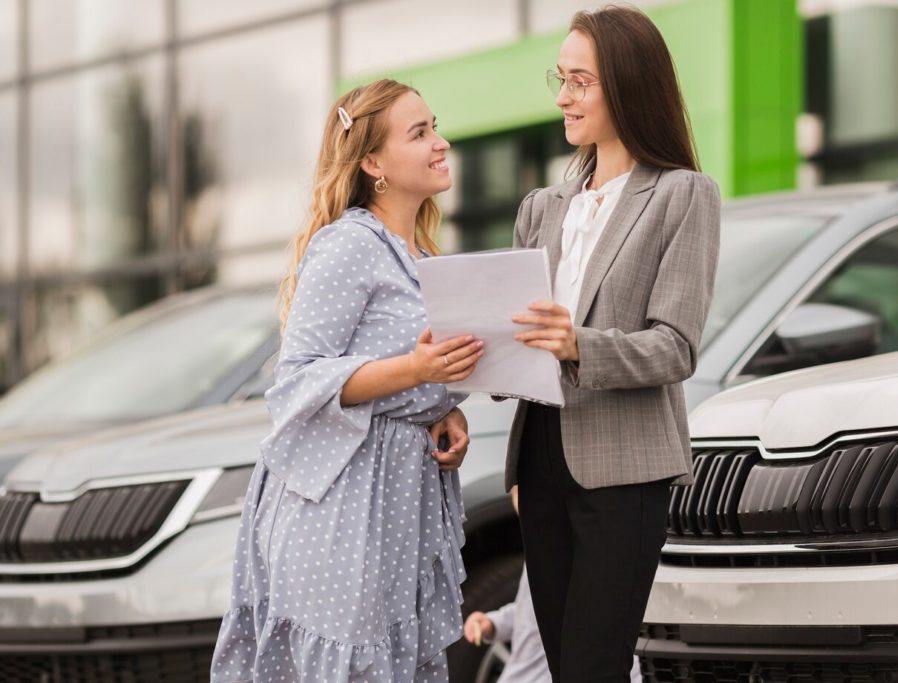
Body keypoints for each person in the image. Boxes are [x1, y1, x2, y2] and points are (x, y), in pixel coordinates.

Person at [210, 79, 484, 682]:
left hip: (401, 499)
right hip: (342, 505)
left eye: (434, 126)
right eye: (420, 133)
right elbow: (297, 381)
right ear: (372, 163)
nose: (441, 143)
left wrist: (443, 408)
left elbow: (403, 375)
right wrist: (415, 371)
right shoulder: (348, 245)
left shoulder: (423, 257)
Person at [505, 6, 722, 682]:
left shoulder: (682, 196)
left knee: (593, 668)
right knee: (563, 665)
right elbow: (518, 339)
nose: (563, 96)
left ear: (627, 86)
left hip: (625, 469)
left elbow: (676, 346)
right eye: (560, 78)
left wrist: (579, 346)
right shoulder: (542, 208)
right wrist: (474, 349)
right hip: (541, 458)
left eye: (580, 81)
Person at [462, 487, 642, 683]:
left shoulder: (583, 557)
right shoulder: (537, 558)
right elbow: (528, 613)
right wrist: (493, 623)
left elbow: (610, 624)